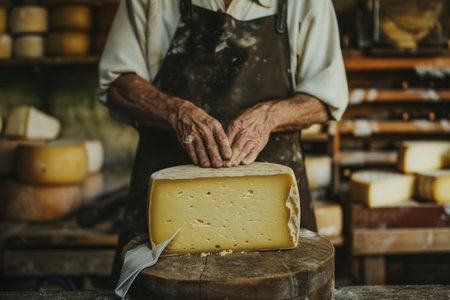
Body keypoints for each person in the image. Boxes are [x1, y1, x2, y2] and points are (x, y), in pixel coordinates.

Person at [99, 0, 348, 279]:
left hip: (270, 214)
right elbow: (118, 85)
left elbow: (326, 99)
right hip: (168, 217)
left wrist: (269, 116)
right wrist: (175, 111)